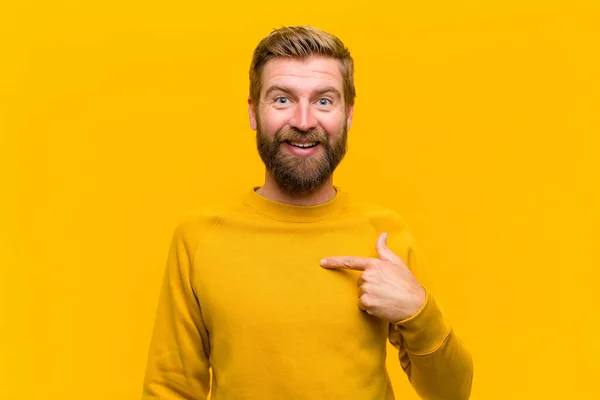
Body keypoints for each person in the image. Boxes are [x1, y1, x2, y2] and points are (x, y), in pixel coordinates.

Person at [142, 26, 473, 400]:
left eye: (324, 101)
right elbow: (169, 389)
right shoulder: (199, 237)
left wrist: (418, 311)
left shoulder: (385, 236)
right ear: (254, 111)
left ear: (348, 114)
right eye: (282, 100)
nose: (303, 121)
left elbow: (452, 392)